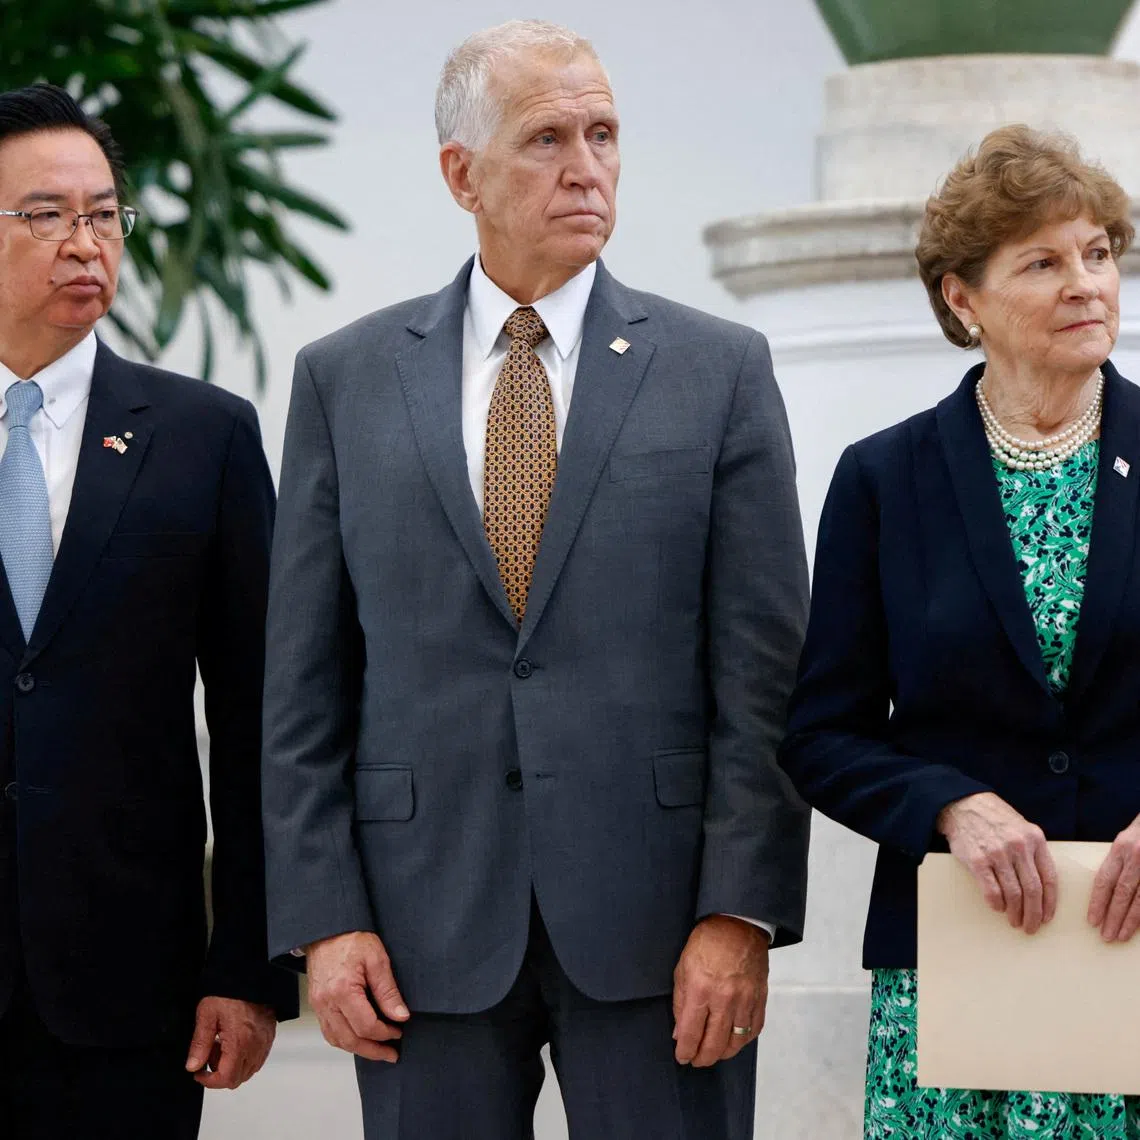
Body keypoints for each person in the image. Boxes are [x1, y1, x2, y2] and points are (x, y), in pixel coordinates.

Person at [262, 19, 810, 1140]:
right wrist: (325, 921)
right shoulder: (344, 380)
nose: (586, 166)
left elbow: (766, 676)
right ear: (461, 173)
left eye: (603, 134)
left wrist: (740, 913)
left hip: (661, 929)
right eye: (547, 138)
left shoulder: (719, 373)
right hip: (418, 930)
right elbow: (303, 687)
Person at [779, 124, 1140, 1138]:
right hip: (959, 967)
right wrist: (948, 805)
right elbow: (822, 734)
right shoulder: (884, 480)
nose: (1087, 284)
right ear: (962, 298)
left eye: (1098, 253)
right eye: (1043, 261)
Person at [0, 84, 297, 1139]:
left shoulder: (204, 437)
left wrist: (251, 963)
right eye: (45, 214)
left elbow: (268, 715)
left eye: (102, 213)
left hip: (129, 990)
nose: (84, 241)